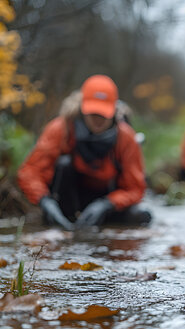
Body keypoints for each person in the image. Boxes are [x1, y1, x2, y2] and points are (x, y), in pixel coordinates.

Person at [18, 74, 151, 231]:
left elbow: (135, 188)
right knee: (64, 163)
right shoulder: (61, 129)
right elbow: (30, 172)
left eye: (103, 114)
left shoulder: (126, 137)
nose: (98, 119)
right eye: (93, 112)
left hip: (108, 201)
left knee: (141, 215)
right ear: (82, 107)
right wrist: (44, 201)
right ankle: (62, 223)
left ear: (114, 111)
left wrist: (106, 204)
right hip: (68, 201)